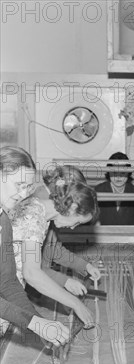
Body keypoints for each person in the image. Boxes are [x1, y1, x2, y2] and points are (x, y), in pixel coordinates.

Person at [7, 164, 100, 329]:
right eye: (77, 221)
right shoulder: (34, 216)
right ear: (71, 207)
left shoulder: (40, 213)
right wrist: (75, 304)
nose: (73, 227)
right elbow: (32, 273)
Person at [0, 146, 69, 347]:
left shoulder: (4, 220)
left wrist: (39, 322)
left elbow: (7, 283)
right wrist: (33, 323)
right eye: (18, 184)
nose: (23, 194)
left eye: (28, 187)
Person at [95, 152, 134, 225]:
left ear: (128, 173)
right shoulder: (99, 190)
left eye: (122, 173)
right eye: (115, 173)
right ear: (109, 172)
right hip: (105, 234)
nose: (118, 177)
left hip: (130, 235)